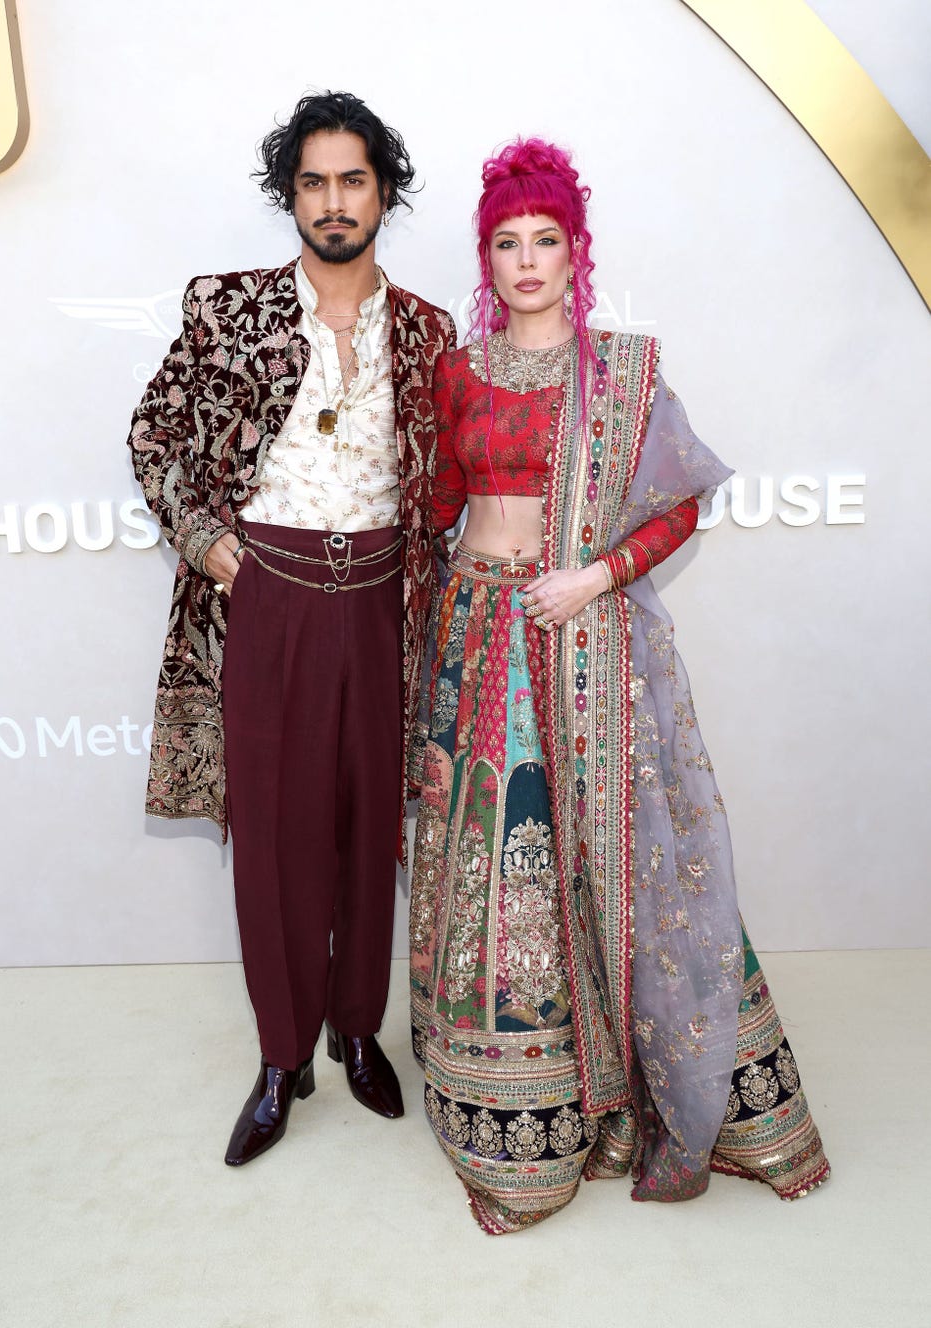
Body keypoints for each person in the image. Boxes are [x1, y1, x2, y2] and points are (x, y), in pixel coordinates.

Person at [409, 138, 830, 1234]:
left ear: (575, 252)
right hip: (478, 633)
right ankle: (527, 1109)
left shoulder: (624, 372)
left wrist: (595, 573)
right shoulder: (459, 369)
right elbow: (440, 500)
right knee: (501, 868)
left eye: (544, 240)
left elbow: (679, 503)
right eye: (504, 243)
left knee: (619, 857)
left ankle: (649, 1089)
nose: (525, 261)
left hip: (584, 636)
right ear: (485, 258)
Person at [128, 91, 454, 1167]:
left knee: (370, 827)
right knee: (273, 835)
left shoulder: (426, 331)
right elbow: (153, 429)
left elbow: (446, 483)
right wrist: (201, 533)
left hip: (380, 600)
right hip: (265, 586)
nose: (331, 201)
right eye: (311, 182)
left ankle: (357, 1029)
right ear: (289, 197)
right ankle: (282, 1056)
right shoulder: (225, 309)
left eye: (351, 179)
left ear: (383, 192)